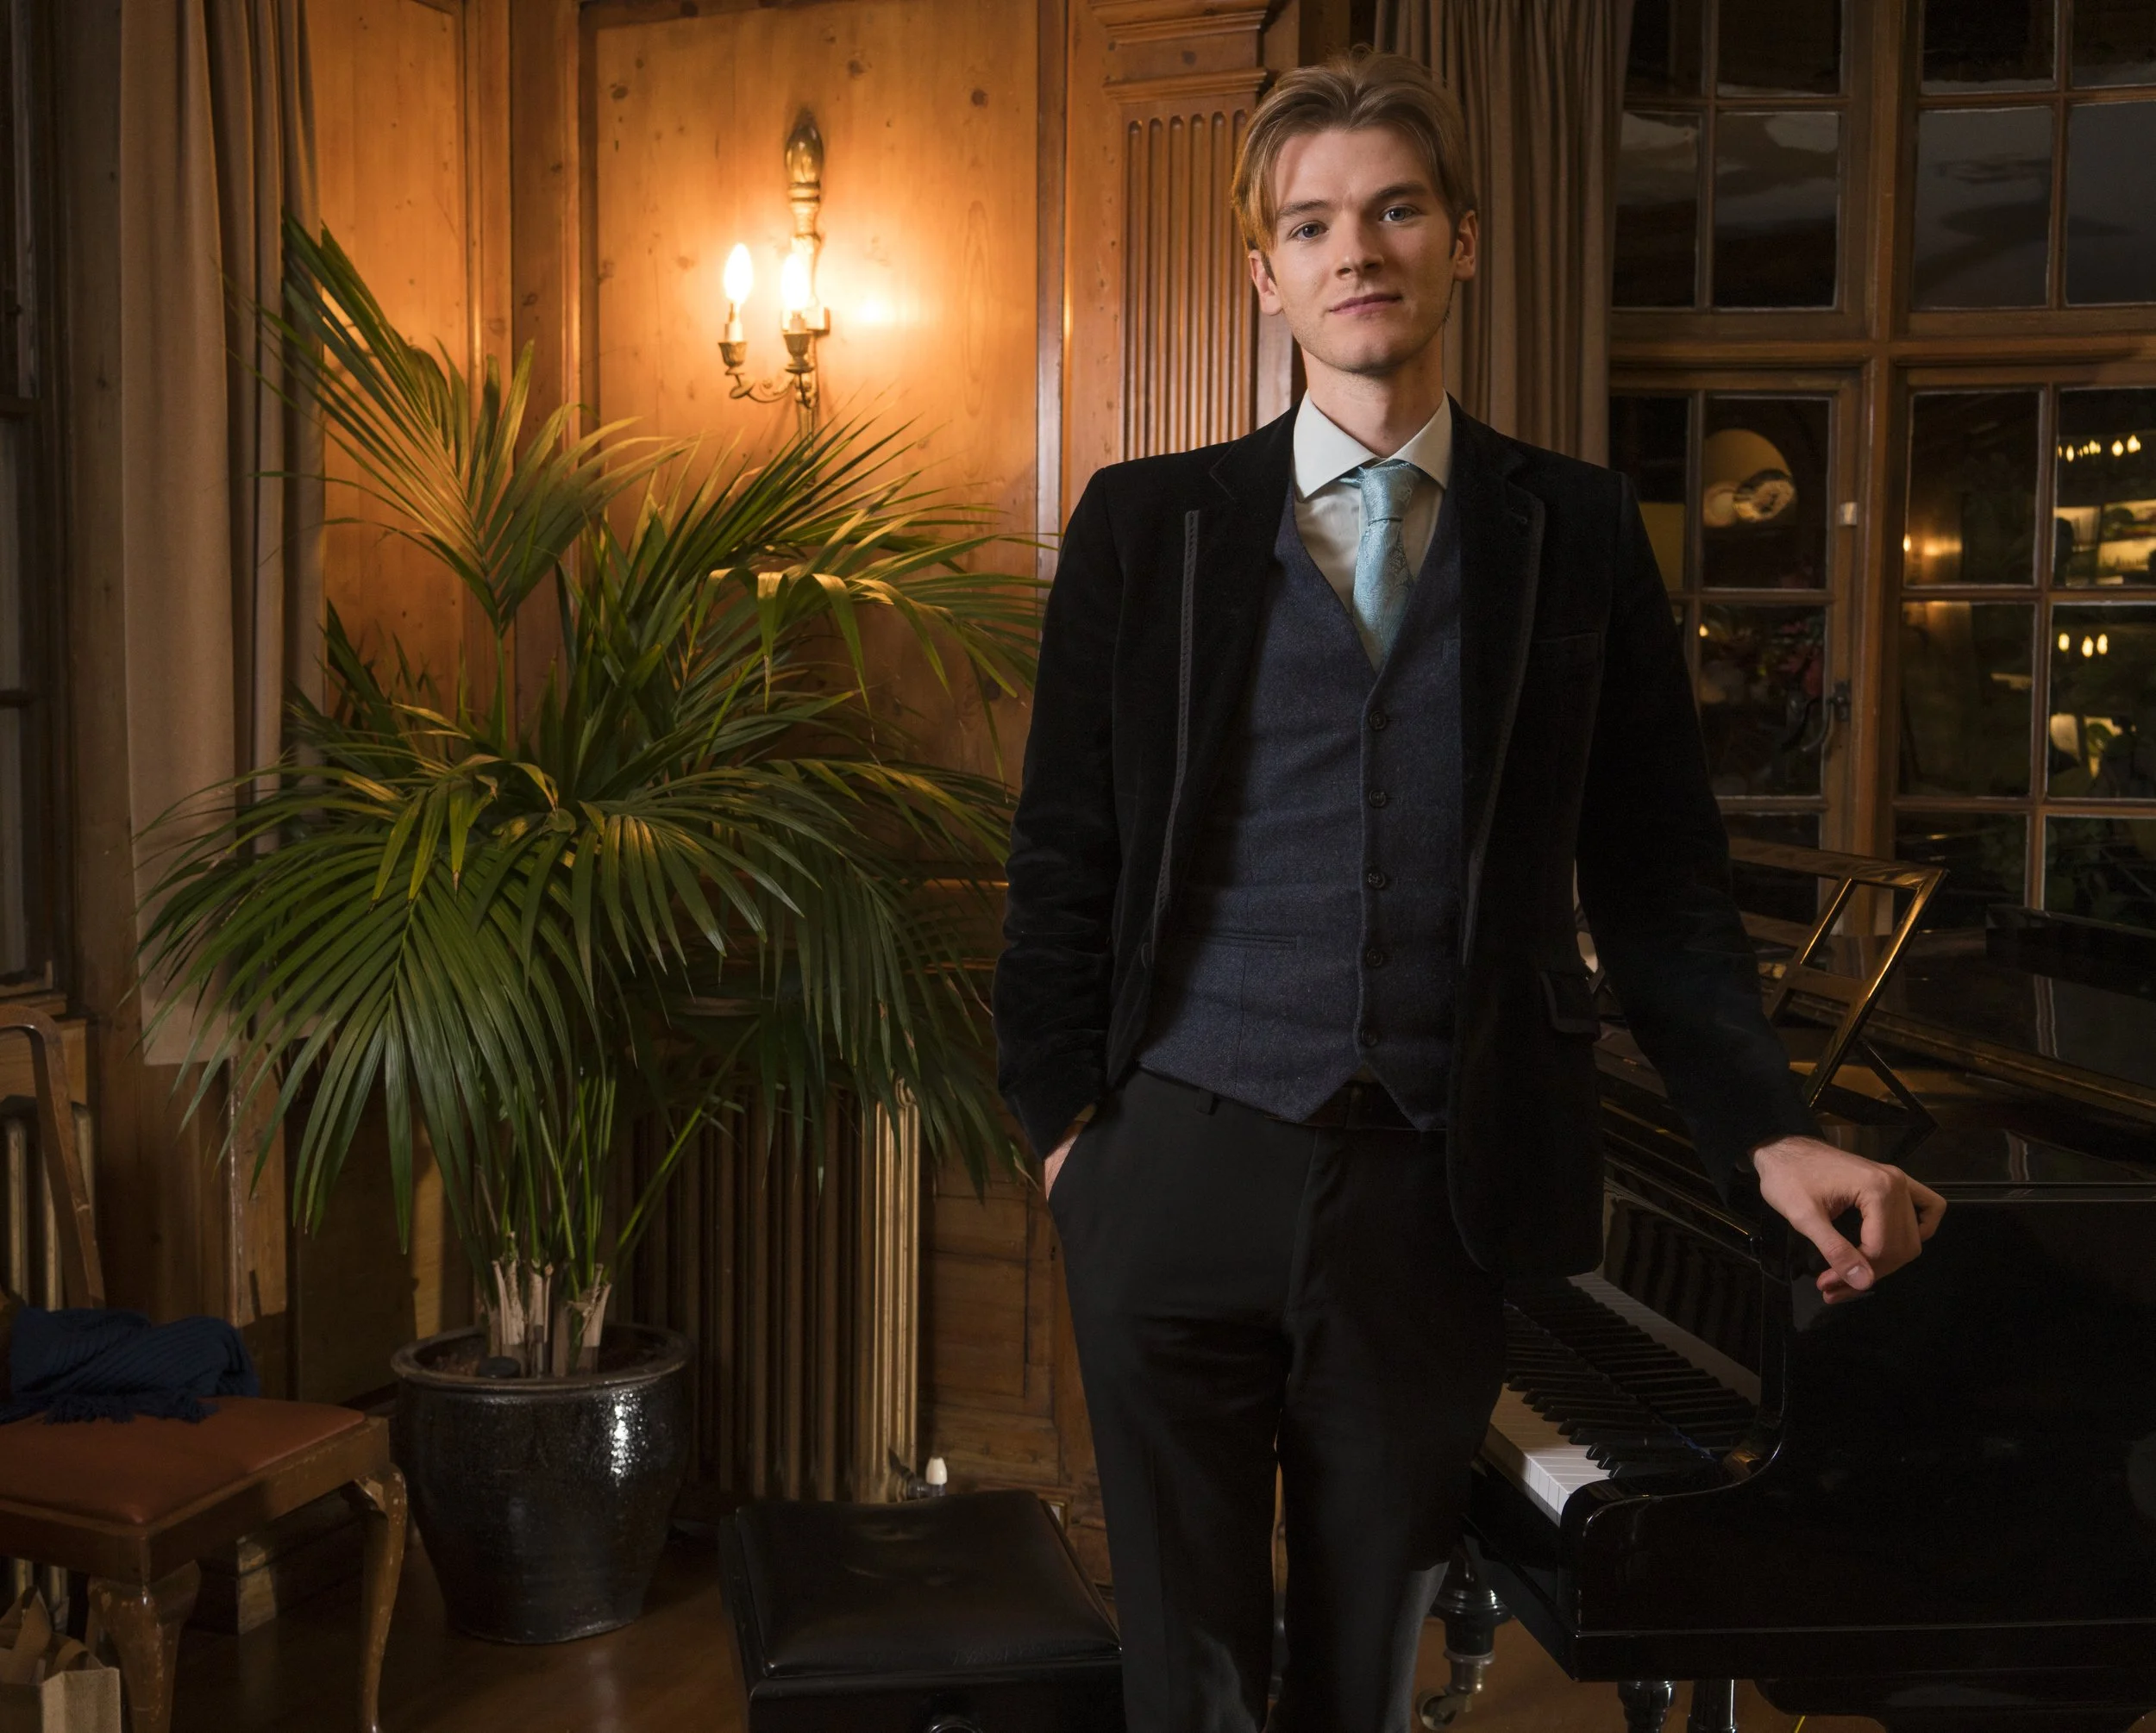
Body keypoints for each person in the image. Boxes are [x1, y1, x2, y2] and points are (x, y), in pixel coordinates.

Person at [993, 49, 1946, 1733]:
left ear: (1463, 241)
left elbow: (1656, 880)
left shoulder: (1571, 531)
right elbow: (1061, 859)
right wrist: (1070, 1137)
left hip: (1426, 1195)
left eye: (1394, 208)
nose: (1354, 247)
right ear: (1263, 273)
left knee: (1358, 1683)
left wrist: (1764, 1129)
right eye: (1310, 223)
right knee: (1187, 1686)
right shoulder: (1148, 529)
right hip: (1168, 1170)